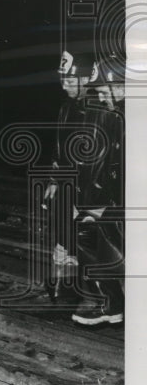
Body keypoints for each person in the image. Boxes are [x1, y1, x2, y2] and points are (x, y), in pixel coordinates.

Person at [71, 54, 125, 325]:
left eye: (105, 92)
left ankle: (110, 302)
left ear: (121, 86)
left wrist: (107, 204)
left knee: (88, 231)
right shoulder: (116, 114)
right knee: (87, 228)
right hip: (118, 200)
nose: (102, 98)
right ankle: (111, 303)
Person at [42, 50, 96, 301]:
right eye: (62, 79)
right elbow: (60, 149)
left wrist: (83, 198)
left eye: (69, 80)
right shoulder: (67, 108)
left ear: (86, 79)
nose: (64, 86)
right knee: (63, 240)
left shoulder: (100, 111)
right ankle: (61, 293)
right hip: (66, 187)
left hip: (88, 192)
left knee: (84, 244)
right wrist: (54, 180)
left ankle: (83, 296)